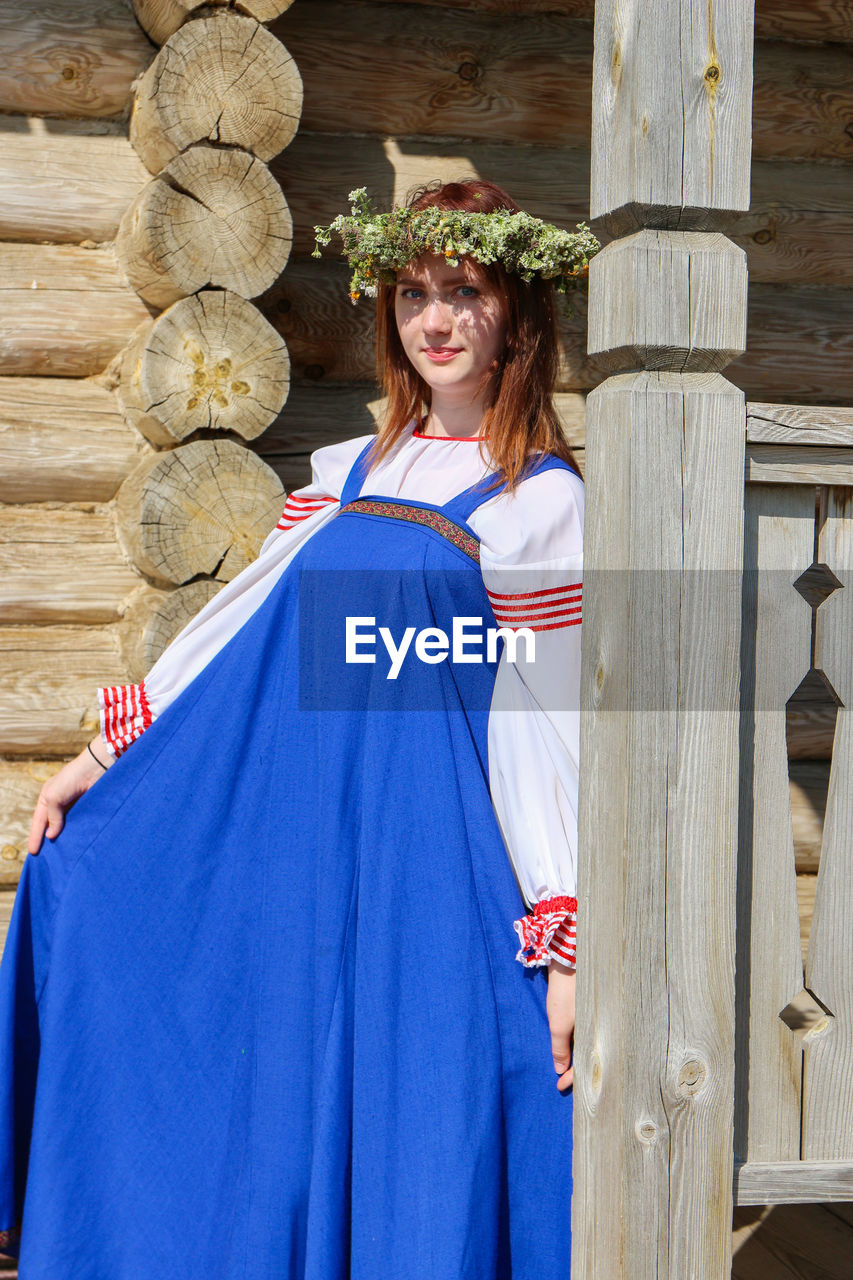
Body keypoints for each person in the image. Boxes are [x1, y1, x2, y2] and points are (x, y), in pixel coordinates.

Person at [0, 179, 596, 1276]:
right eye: (413, 293)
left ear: (516, 307)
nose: (435, 320)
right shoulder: (352, 472)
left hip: (434, 872)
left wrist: (564, 932)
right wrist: (100, 757)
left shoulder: (542, 500)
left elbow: (540, 717)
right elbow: (238, 635)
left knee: (432, 1130)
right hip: (314, 851)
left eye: (463, 291)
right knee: (258, 1097)